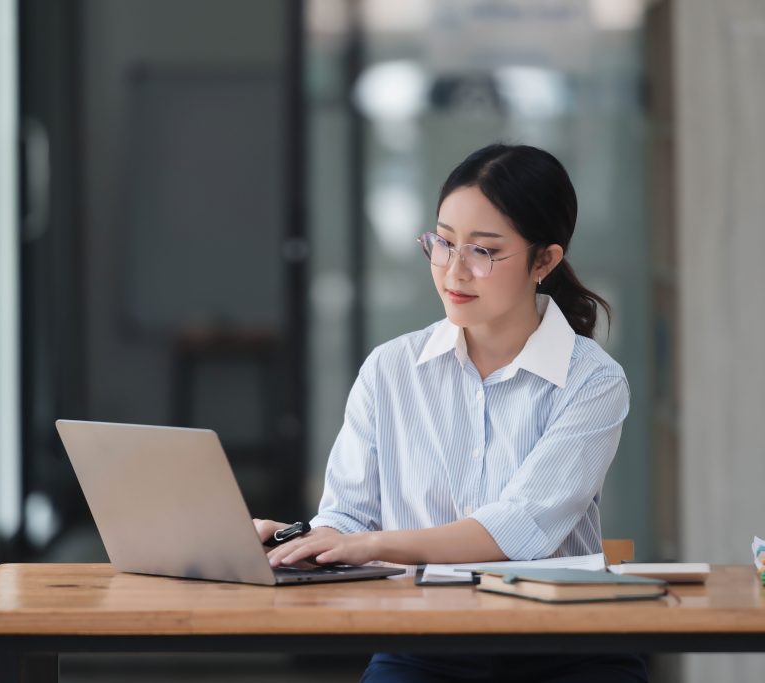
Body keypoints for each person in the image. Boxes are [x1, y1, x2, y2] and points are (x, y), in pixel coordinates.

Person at [254, 144, 647, 682]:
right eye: (443, 242)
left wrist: (370, 543)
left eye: (483, 251)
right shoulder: (391, 369)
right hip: (423, 643)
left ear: (544, 260)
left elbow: (520, 528)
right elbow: (350, 519)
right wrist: (296, 540)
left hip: (565, 645)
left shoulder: (592, 380)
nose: (454, 271)